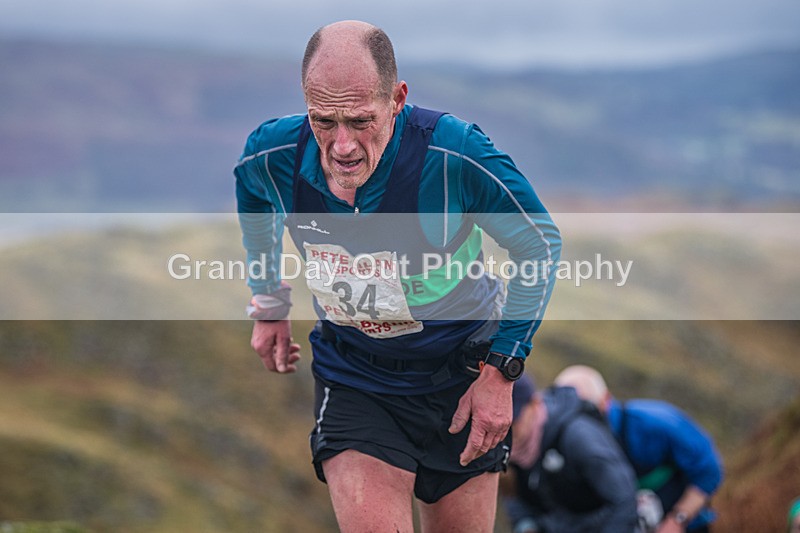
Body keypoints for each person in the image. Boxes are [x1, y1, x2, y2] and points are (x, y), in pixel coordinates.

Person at [234, 20, 561, 532]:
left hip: (461, 377)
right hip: (357, 378)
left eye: (361, 120)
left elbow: (539, 243)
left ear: (397, 98)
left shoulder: (454, 155)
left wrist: (501, 374)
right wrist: (269, 302)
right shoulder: (274, 154)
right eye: (324, 120)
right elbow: (253, 197)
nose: (342, 145)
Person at [554, 365, 724, 533]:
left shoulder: (656, 423)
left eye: (587, 411)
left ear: (605, 399)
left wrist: (678, 519)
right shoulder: (562, 445)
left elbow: (709, 470)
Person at [504, 373, 639, 533]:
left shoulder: (579, 437)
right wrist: (526, 525)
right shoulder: (514, 447)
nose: (506, 428)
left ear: (534, 404)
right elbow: (515, 494)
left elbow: (624, 499)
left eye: (515, 420)